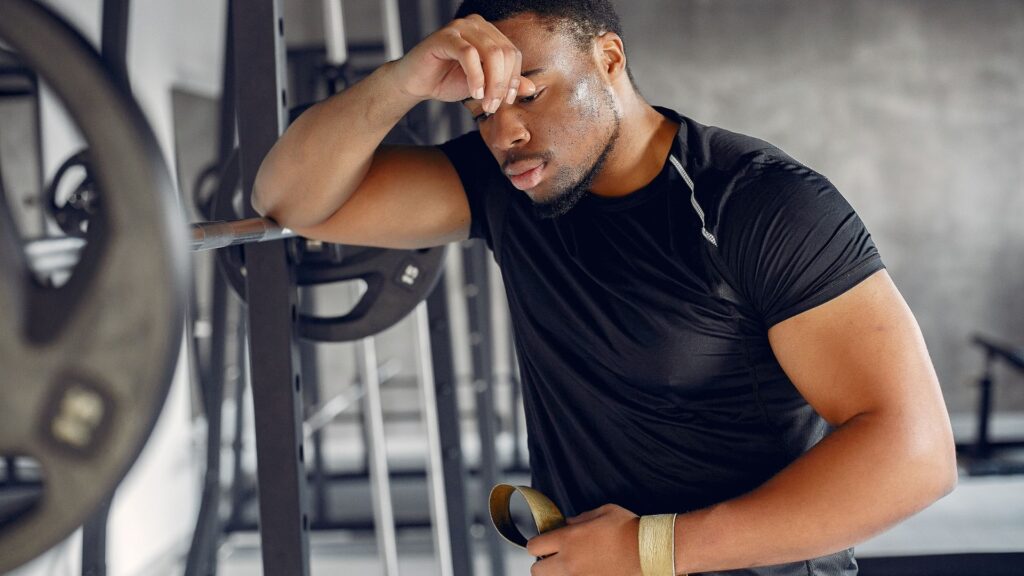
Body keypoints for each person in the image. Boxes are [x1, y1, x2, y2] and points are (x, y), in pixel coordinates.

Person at [252, 1, 958, 574]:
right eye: (482, 111)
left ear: (609, 58)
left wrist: (651, 551)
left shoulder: (756, 204)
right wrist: (402, 80)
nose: (505, 133)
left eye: (530, 93)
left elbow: (915, 455)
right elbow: (288, 200)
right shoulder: (505, 185)